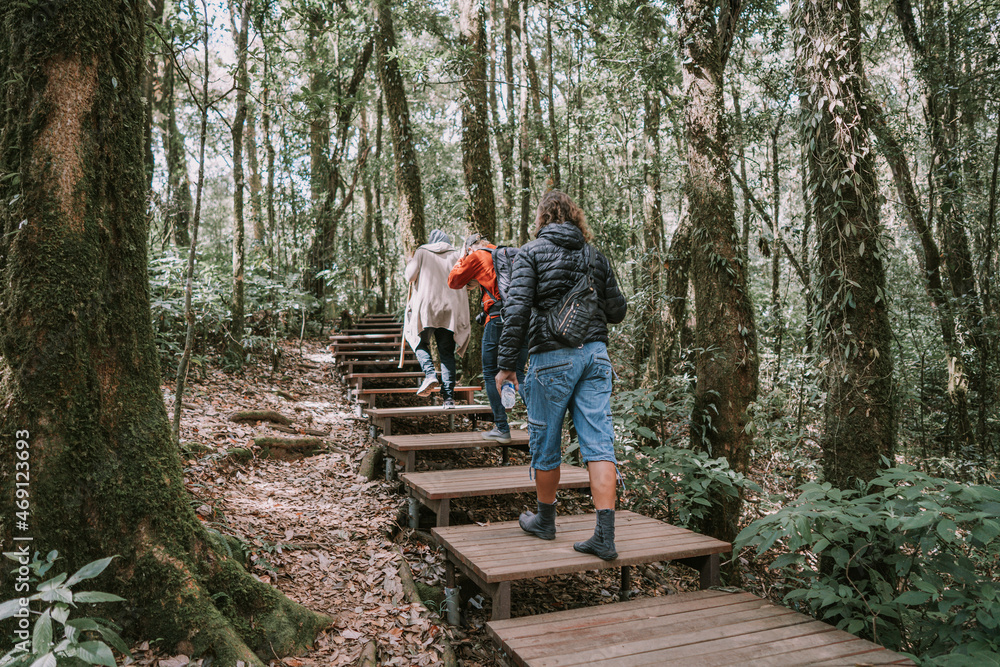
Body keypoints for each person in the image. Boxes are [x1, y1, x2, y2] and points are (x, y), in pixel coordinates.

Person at [495, 191, 627, 560]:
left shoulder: (530, 253)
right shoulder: (595, 256)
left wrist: (506, 365)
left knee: (545, 441)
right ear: (575, 217)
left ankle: (546, 520)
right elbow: (618, 311)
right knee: (599, 444)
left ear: (541, 219)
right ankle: (604, 536)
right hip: (596, 357)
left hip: (551, 357)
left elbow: (516, 311)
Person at [448, 233, 529, 442]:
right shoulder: (507, 253)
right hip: (524, 319)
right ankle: (541, 424)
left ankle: (502, 428)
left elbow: (454, 280)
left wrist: (462, 255)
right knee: (519, 372)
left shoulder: (477, 256)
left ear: (471, 247)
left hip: (499, 319)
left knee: (491, 373)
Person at [403, 229, 470, 407]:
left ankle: (430, 374)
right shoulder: (457, 254)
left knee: (417, 341)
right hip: (450, 312)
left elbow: (410, 277)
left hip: (427, 309)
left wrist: (411, 262)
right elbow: (467, 280)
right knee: (446, 354)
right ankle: (449, 399)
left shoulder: (422, 252)